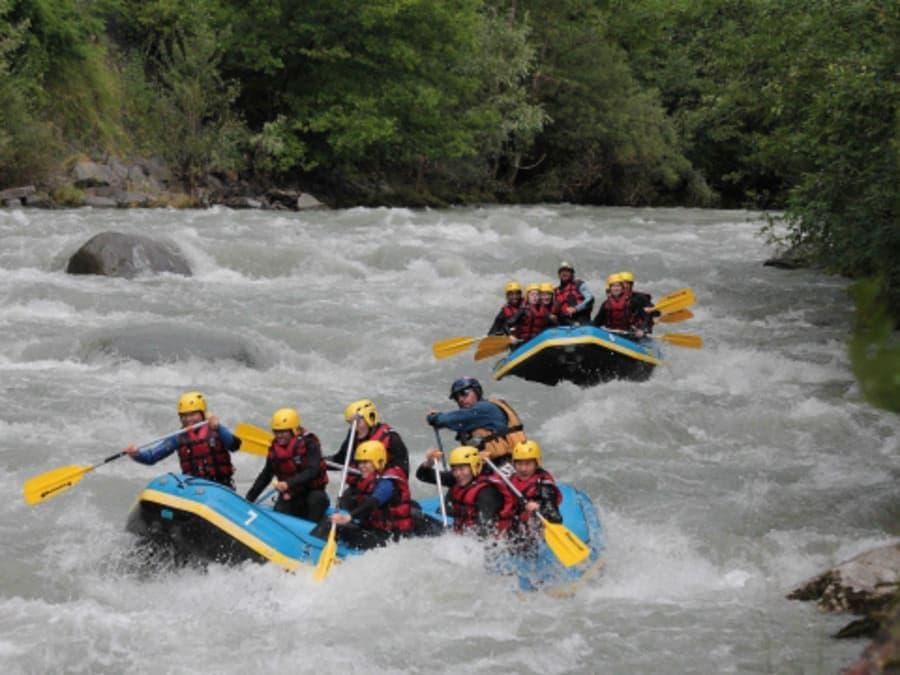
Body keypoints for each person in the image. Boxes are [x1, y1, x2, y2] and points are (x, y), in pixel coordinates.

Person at [125, 390, 240, 488]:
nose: (188, 419)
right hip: (193, 488)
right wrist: (137, 454)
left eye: (192, 414)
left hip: (220, 486)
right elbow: (151, 457)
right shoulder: (178, 437)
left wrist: (218, 427)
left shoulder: (215, 428)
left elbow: (233, 446)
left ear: (202, 414)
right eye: (184, 416)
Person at [245, 408, 329, 522]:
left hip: (313, 492)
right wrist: (249, 498)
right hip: (292, 494)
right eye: (276, 432)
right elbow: (266, 475)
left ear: (293, 430)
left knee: (316, 499)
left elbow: (312, 471)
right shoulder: (275, 449)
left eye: (283, 432)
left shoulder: (310, 444)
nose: (279, 436)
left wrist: (288, 483)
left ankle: (312, 534)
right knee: (280, 512)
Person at [426, 377, 526, 473]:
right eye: (457, 397)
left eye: (464, 393)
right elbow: (454, 422)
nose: (460, 399)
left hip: (505, 466)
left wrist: (434, 417)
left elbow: (447, 420)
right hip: (488, 465)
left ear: (477, 392)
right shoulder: (474, 419)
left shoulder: (484, 409)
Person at [327, 440, 414, 549]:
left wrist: (349, 517)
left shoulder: (388, 482)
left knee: (340, 529)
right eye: (360, 462)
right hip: (376, 529)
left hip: (392, 537)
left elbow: (373, 501)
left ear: (378, 462)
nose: (361, 466)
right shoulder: (371, 478)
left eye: (366, 462)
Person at [416, 445, 516, 538]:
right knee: (414, 516)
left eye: (462, 469)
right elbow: (423, 475)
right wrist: (429, 462)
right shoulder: (460, 478)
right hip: (460, 534)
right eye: (454, 469)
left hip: (479, 542)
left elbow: (484, 530)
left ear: (474, 467)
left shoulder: (487, 493)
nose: (458, 474)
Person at [328, 399, 410, 484]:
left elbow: (402, 473)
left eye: (357, 423)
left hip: (384, 487)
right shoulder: (354, 434)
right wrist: (319, 461)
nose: (354, 427)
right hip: (362, 484)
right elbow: (341, 460)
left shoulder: (392, 439)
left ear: (370, 419)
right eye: (351, 423)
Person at [508, 440, 562, 538]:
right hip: (514, 526)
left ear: (536, 464)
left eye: (528, 464)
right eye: (519, 464)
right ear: (514, 464)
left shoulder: (544, 486)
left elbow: (555, 516)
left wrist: (539, 507)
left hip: (533, 532)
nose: (523, 469)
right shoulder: (510, 480)